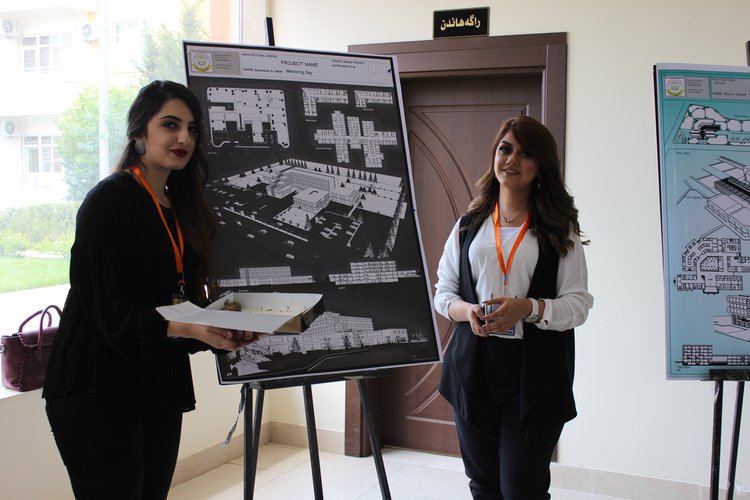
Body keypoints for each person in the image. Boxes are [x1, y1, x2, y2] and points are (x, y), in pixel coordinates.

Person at [42, 80, 264, 499]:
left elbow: (182, 305)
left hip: (157, 383)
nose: (184, 138)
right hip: (96, 385)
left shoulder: (184, 208)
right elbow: (108, 312)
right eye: (170, 125)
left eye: (192, 129)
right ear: (139, 132)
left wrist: (220, 330)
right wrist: (188, 327)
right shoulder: (107, 201)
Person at [434, 115, 594, 499]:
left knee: (522, 489)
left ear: (541, 166)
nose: (512, 160)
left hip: (535, 376)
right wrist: (467, 312)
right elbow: (443, 293)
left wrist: (528, 308)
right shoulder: (468, 225)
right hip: (473, 370)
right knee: (484, 485)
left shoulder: (558, 230)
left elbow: (578, 305)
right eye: (506, 149)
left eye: (526, 153)